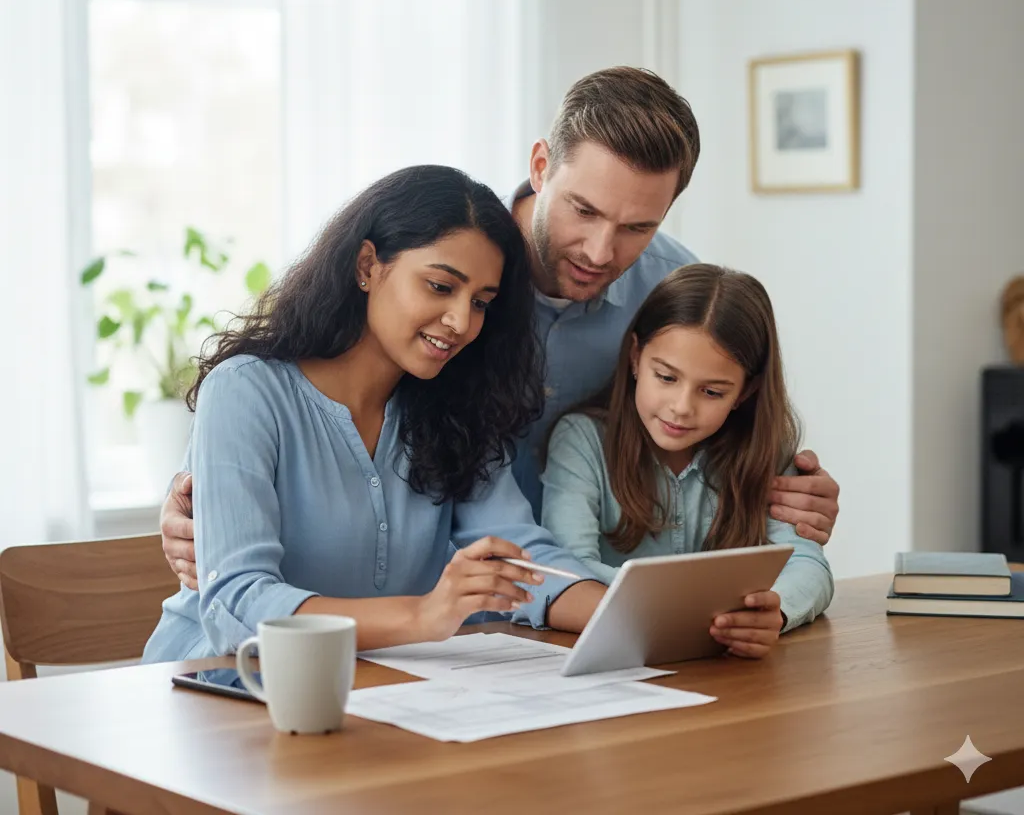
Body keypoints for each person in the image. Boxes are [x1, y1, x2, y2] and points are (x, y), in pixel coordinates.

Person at [161, 68, 841, 591]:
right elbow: (274, 419)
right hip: (445, 610)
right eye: (583, 210)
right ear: (541, 167)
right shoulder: (453, 255)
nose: (601, 250)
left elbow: (736, 427)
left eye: (638, 227)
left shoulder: (673, 298)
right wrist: (203, 501)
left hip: (544, 603)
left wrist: (788, 492)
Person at [142, 166, 605, 661]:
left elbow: (524, 561)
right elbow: (239, 604)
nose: (461, 322)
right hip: (219, 680)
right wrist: (422, 616)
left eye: (481, 303)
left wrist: (643, 616)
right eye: (440, 286)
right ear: (367, 265)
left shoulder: (457, 409)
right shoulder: (245, 391)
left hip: (371, 682)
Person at [541, 265, 834, 659]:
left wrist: (774, 610)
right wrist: (690, 609)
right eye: (666, 377)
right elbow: (569, 565)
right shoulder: (582, 441)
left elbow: (808, 564)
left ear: (745, 392)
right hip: (617, 660)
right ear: (635, 357)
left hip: (725, 672)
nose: (681, 407)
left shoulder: (767, 452)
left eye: (712, 392)